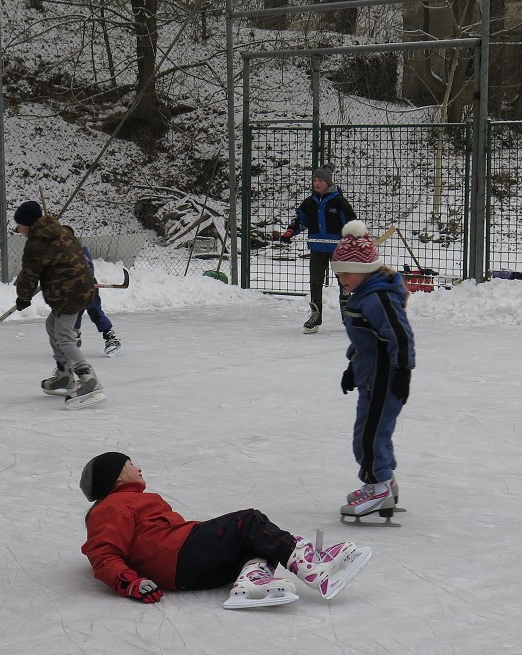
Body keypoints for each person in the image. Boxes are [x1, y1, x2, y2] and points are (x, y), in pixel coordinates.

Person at [79, 452, 371, 608]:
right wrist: (129, 582)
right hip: (178, 554)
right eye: (131, 464)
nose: (139, 468)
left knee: (258, 542)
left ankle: (251, 582)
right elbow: (103, 553)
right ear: (115, 476)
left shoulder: (135, 500)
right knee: (250, 521)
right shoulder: (112, 507)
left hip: (183, 571)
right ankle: (311, 567)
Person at [331, 220, 415, 521]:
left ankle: (377, 487)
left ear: (363, 270)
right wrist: (352, 368)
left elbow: (400, 336)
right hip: (371, 377)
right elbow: (365, 341)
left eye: (344, 272)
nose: (341, 279)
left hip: (385, 380)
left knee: (369, 437)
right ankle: (385, 484)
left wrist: (403, 372)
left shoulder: (378, 298)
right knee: (375, 432)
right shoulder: (365, 296)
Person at [13, 200, 105, 409]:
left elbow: (29, 274)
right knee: (51, 325)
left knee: (64, 336)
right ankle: (64, 374)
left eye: (20, 225)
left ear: (28, 224)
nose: (18, 230)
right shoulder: (61, 230)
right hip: (81, 288)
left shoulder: (37, 243)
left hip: (68, 293)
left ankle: (88, 378)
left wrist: (23, 297)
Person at [279, 162, 357, 333]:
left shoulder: (339, 202)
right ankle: (316, 315)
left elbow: (351, 222)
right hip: (317, 249)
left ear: (328, 182)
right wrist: (290, 232)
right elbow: (300, 221)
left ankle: (347, 312)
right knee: (315, 282)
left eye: (321, 179)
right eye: (315, 179)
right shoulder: (309, 203)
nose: (317, 183)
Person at [74, 244, 122, 357]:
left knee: (95, 312)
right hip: (72, 292)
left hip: (89, 289)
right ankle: (73, 334)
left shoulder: (79, 252)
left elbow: (88, 268)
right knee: (73, 312)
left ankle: (110, 337)